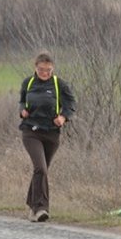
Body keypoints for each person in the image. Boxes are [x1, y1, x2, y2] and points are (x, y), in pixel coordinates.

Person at [18, 51, 77, 223]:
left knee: (41, 171)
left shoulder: (59, 84)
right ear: (35, 68)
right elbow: (22, 100)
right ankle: (41, 209)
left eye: (49, 70)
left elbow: (71, 103)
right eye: (42, 69)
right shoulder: (28, 83)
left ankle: (32, 205)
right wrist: (22, 110)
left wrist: (63, 117)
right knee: (40, 168)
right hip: (31, 131)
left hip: (51, 133)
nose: (45, 73)